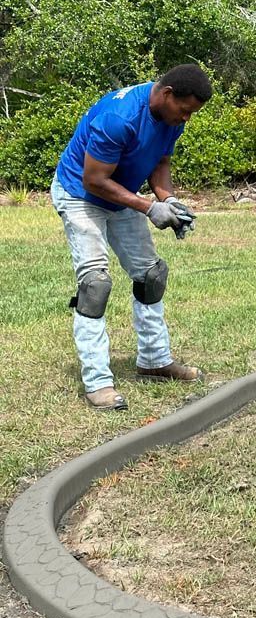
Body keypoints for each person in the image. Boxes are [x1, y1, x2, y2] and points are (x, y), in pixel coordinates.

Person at [51, 63, 212, 410]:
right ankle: (98, 383)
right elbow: (93, 180)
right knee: (95, 284)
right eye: (184, 111)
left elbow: (160, 162)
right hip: (80, 195)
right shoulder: (120, 117)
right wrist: (148, 208)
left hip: (119, 192)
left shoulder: (169, 118)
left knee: (151, 276)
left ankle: (154, 361)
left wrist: (168, 201)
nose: (186, 119)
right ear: (167, 94)